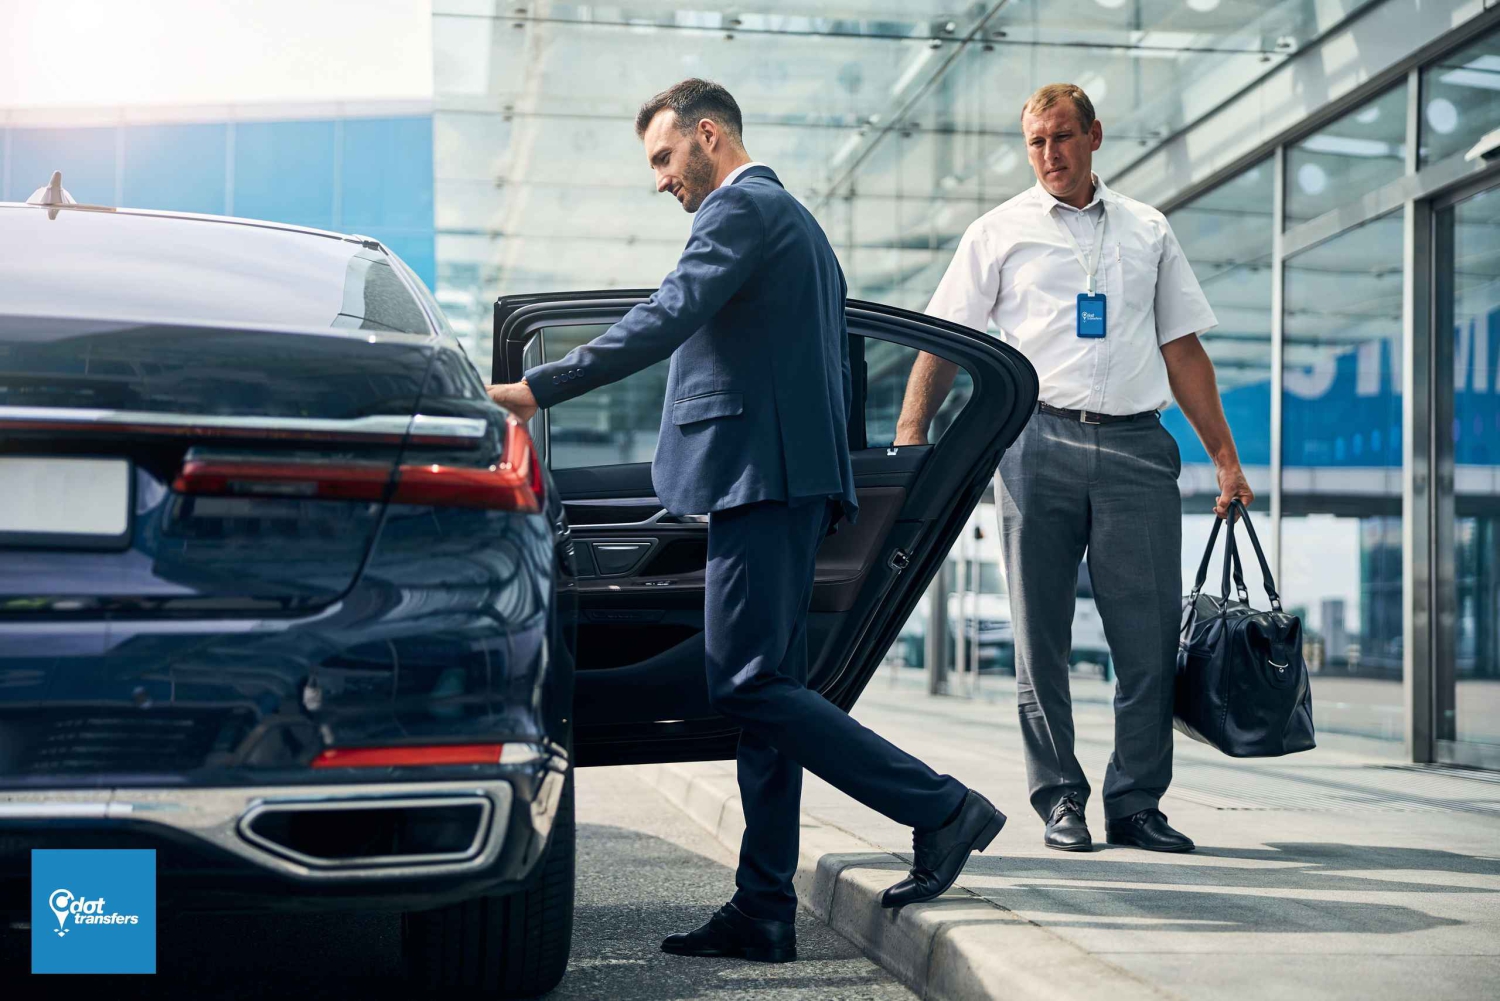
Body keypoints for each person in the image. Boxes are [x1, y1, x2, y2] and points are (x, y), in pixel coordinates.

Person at [486, 79, 1005, 963]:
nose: (660, 180)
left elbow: (665, 315)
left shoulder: (741, 211)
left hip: (759, 483)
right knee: (767, 705)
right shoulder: (800, 228)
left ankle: (942, 805)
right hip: (780, 481)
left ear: (709, 134)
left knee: (747, 685)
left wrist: (537, 388)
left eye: (663, 156)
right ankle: (763, 905)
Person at [894, 83, 1252, 855]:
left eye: (1061, 137)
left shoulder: (1149, 230)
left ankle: (1135, 802)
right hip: (1035, 445)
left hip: (1137, 448)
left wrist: (1223, 456)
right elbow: (946, 337)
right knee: (1041, 639)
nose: (1049, 154)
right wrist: (911, 434)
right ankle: (1060, 798)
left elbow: (1182, 348)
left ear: (1094, 135)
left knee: (1149, 641)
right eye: (1035, 142)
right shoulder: (998, 231)